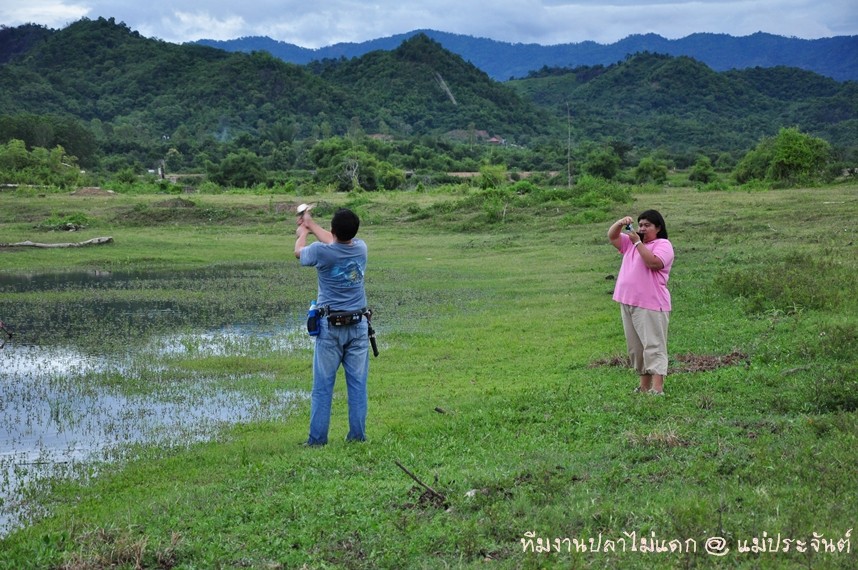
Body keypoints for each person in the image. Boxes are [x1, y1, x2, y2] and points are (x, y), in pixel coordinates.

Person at [295, 207, 370, 445]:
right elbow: (333, 239)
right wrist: (311, 223)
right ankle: (357, 437)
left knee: (323, 387)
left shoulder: (320, 252)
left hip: (330, 327)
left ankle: (317, 440)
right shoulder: (361, 248)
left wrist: (302, 233)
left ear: (334, 229)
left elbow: (299, 253)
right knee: (357, 386)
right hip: (359, 326)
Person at [607, 210, 674, 395]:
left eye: (647, 225)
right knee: (636, 348)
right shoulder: (630, 244)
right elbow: (612, 236)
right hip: (628, 301)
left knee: (653, 345)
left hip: (650, 303)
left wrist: (637, 242)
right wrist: (620, 222)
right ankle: (644, 387)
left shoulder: (663, 245)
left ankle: (657, 388)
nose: (642, 228)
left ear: (658, 228)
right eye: (640, 225)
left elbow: (654, 263)